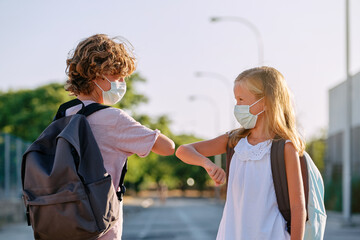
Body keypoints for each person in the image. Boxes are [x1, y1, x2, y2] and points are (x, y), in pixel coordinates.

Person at [64, 34, 175, 239]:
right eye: (118, 76)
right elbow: (167, 147)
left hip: (64, 221)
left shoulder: (64, 115)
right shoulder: (113, 118)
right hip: (99, 227)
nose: (122, 83)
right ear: (97, 74)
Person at [176, 66, 306, 240]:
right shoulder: (234, 140)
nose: (237, 106)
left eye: (241, 99)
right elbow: (183, 150)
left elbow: (298, 206)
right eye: (236, 100)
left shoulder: (285, 148)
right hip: (232, 234)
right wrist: (207, 164)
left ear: (265, 102)